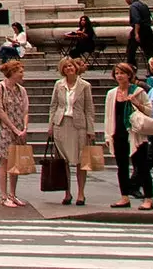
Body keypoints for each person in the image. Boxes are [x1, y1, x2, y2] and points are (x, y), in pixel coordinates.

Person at [104, 62, 153, 210]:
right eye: (117, 73)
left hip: (135, 133)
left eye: (122, 73)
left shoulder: (138, 92)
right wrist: (108, 135)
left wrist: (136, 103)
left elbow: (149, 111)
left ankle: (148, 198)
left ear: (129, 75)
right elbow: (108, 115)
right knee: (122, 166)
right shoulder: (112, 94)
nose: (119, 76)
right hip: (118, 132)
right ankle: (124, 196)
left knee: (142, 166)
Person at [48, 56, 95, 205]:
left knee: (80, 160)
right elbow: (53, 106)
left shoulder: (85, 85)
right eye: (66, 67)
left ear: (76, 68)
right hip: (61, 124)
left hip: (78, 125)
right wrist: (51, 126)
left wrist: (90, 129)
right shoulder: (59, 85)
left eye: (71, 66)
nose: (69, 68)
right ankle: (67, 192)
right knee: (64, 161)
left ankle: (81, 192)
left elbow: (89, 109)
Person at [0, 58, 30, 208]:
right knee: (5, 161)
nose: (22, 74)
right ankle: (3, 195)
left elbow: (26, 109)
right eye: (20, 71)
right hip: (6, 129)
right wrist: (13, 128)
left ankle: (13, 194)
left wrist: (24, 128)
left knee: (15, 162)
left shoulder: (21, 90)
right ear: (12, 73)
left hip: (19, 128)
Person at [125, 0, 153, 69]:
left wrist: (136, 33)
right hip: (148, 30)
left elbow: (136, 21)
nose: (125, 0)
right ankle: (152, 69)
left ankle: (131, 69)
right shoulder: (143, 5)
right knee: (149, 52)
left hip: (140, 30)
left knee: (130, 52)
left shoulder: (133, 6)